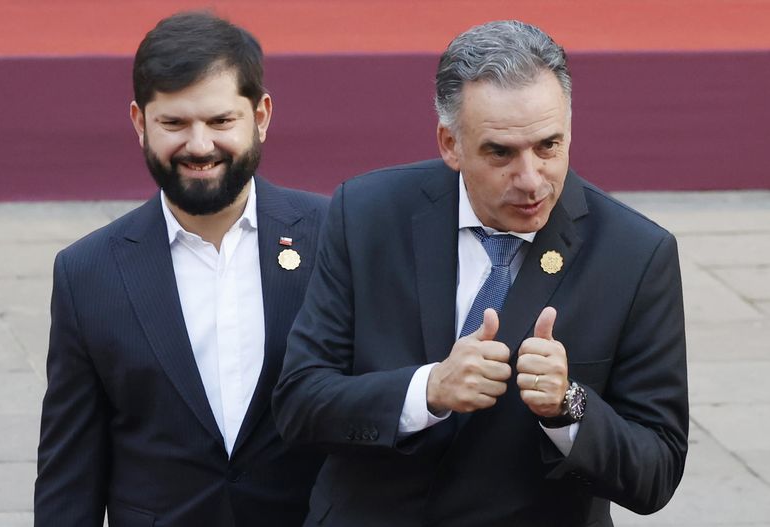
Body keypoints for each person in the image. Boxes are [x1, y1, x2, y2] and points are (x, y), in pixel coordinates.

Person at [273, 20, 688, 527]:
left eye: (549, 146)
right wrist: (427, 390)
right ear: (451, 143)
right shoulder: (365, 214)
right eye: (501, 153)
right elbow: (299, 402)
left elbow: (657, 472)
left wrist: (569, 405)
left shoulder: (635, 255)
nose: (531, 179)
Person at [35, 12, 327, 527]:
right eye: (174, 123)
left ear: (260, 116)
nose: (198, 146)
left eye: (220, 122)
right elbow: (69, 474)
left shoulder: (334, 236)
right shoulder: (87, 273)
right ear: (138, 123)